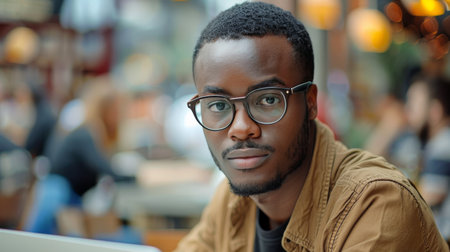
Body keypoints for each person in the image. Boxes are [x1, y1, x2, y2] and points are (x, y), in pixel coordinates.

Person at [175, 2, 448, 251]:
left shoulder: (376, 203)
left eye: (268, 99)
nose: (241, 128)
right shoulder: (234, 201)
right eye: (219, 105)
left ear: (311, 103)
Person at [406, 74, 450, 244]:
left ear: (435, 111)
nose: (407, 111)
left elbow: (424, 199)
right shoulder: (434, 143)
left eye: (413, 104)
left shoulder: (444, 144)